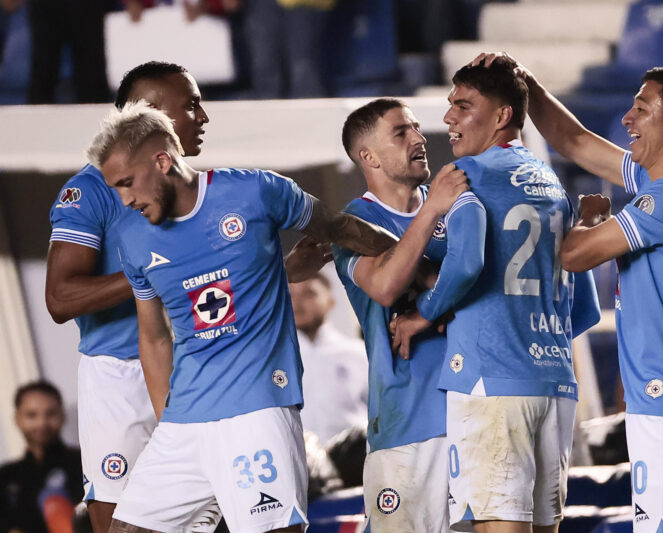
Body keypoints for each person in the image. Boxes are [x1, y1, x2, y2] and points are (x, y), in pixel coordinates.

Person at [85, 100, 399, 532]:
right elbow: (154, 338)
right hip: (185, 420)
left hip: (258, 412)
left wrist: (416, 265)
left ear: (162, 161)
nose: (125, 199)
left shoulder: (256, 191)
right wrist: (167, 423)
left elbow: (339, 228)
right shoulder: (133, 236)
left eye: (126, 183)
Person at [484, 51, 663, 532]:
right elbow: (575, 141)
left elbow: (575, 255)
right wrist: (526, 80)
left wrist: (591, 219)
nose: (627, 118)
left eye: (642, 108)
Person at [390, 55, 600, 533]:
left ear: (503, 115)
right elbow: (583, 307)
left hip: (492, 383)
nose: (448, 117)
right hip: (555, 383)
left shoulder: (468, 176)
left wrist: (425, 311)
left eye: (464, 106)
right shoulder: (553, 185)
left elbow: (465, 262)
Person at [45, 61, 225, 533]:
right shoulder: (89, 189)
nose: (203, 116)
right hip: (119, 377)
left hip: (192, 370)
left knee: (205, 520)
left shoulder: (199, 188)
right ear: (149, 113)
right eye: (191, 105)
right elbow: (60, 297)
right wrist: (153, 271)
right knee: (117, 524)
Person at [332, 97, 477, 532]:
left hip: (477, 411)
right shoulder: (354, 222)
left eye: (416, 127)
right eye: (401, 132)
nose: (419, 138)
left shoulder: (458, 204)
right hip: (409, 420)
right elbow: (386, 285)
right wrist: (431, 213)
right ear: (369, 157)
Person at [289, 271, 368, 444]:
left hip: (354, 455)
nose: (297, 303)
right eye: (291, 296)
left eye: (309, 294)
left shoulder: (359, 353)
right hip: (301, 455)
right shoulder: (277, 360)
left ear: (331, 301)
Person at [0, 381, 83, 533]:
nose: (42, 423)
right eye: (31, 415)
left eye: (50, 413)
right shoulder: (5, 477)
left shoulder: (84, 465)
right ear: (17, 419)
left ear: (62, 416)